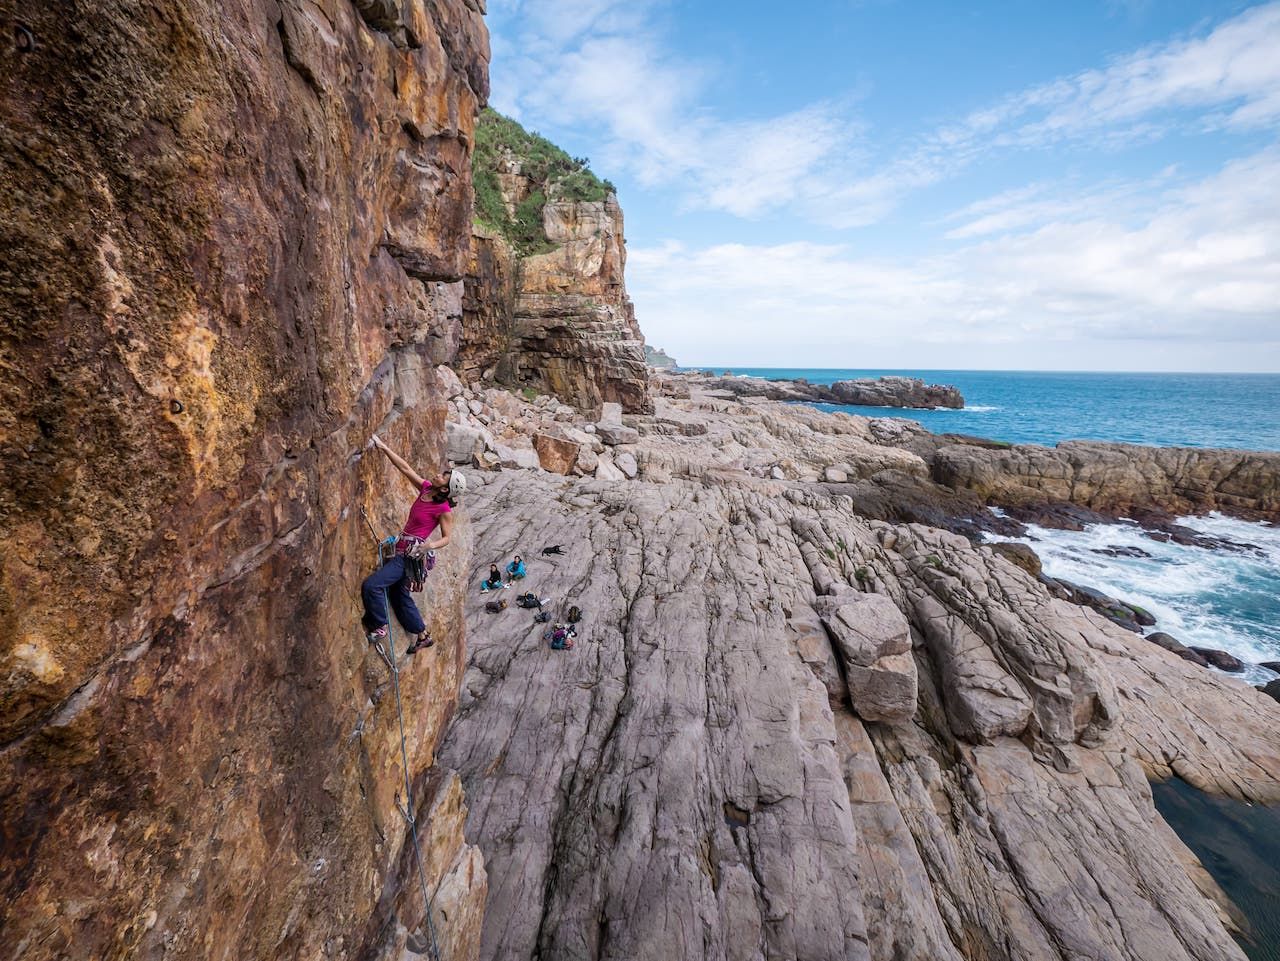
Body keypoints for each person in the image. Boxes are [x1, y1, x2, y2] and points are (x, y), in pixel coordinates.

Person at [361, 434, 466, 655]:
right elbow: (406, 469)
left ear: (445, 490)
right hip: (403, 549)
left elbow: (447, 537)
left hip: (411, 556)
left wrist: (430, 546)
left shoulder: (443, 510)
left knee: (373, 586)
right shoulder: (426, 489)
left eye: (443, 477)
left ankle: (380, 626)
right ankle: (422, 634)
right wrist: (383, 447)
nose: (438, 474)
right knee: (400, 596)